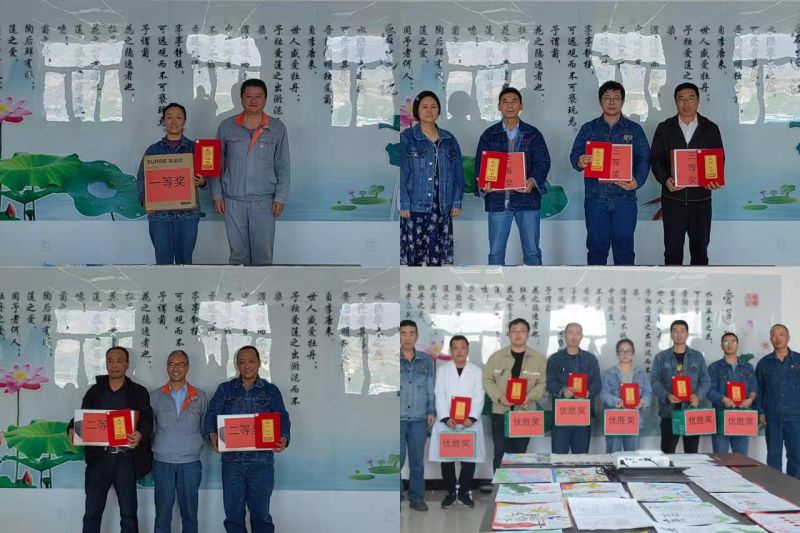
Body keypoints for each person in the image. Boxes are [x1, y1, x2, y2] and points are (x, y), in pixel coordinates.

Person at [204, 345, 291, 533]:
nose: (247, 365)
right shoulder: (225, 390)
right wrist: (212, 434)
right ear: (237, 365)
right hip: (232, 463)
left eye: (251, 361)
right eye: (242, 362)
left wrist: (284, 437)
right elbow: (211, 415)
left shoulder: (270, 390)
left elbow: (282, 417)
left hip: (261, 463)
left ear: (259, 363)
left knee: (261, 516)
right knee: (233, 517)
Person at [67, 346, 153, 533]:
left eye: (119, 361)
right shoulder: (95, 392)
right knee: (92, 513)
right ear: (106, 364)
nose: (114, 365)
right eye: (110, 361)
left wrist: (139, 434)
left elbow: (147, 420)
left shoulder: (138, 392)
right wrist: (72, 429)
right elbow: (82, 418)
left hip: (126, 459)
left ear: (127, 364)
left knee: (129, 514)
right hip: (99, 459)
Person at [569, 81, 650, 265]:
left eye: (616, 98)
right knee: (596, 250)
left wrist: (637, 181)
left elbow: (644, 159)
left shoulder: (634, 129)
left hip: (625, 198)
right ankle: (597, 285)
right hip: (595, 198)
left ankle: (625, 285)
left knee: (625, 251)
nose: (612, 102)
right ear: (600, 101)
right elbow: (575, 155)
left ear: (622, 101)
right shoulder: (588, 128)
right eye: (607, 98)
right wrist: (580, 161)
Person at [211, 79, 290, 265]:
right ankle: (238, 285)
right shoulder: (227, 126)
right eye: (248, 96)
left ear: (265, 99)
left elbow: (283, 166)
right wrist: (217, 195)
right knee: (238, 254)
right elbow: (215, 164)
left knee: (263, 254)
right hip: (233, 201)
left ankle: (262, 286)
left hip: (265, 202)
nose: (253, 100)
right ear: (241, 98)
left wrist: (280, 198)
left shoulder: (277, 128)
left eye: (258, 96)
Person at [650, 82, 725, 265]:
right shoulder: (664, 128)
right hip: (673, 200)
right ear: (675, 102)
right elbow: (656, 160)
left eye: (690, 99)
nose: (686, 104)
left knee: (700, 251)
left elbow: (719, 159)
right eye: (681, 99)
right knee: (672, 252)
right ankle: (673, 284)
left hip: (701, 200)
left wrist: (714, 179)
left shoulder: (710, 128)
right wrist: (665, 180)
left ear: (698, 101)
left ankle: (699, 284)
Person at [475, 87, 551, 266]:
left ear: (521, 106)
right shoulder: (489, 135)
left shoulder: (533, 134)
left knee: (532, 251)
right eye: (505, 102)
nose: (510, 106)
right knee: (496, 253)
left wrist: (532, 181)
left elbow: (543, 162)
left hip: (527, 200)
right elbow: (481, 165)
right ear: (499, 106)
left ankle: (534, 284)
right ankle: (495, 285)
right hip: (498, 201)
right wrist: (484, 183)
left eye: (514, 101)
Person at [136, 102, 207, 265]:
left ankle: (184, 284)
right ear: (163, 121)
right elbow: (141, 179)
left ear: (184, 121)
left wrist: (203, 181)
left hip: (188, 215)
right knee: (163, 263)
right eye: (169, 117)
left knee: (185, 263)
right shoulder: (153, 151)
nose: (174, 121)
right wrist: (144, 201)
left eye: (178, 117)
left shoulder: (195, 149)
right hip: (160, 216)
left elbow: (207, 178)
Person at [399, 91, 465, 266]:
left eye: (433, 107)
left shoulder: (449, 139)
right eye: (424, 107)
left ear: (439, 111)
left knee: (437, 259)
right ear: (417, 110)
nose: (429, 111)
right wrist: (404, 204)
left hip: (442, 205)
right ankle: (413, 284)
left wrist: (456, 202)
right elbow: (403, 172)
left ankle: (433, 284)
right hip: (415, 205)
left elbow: (458, 173)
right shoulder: (407, 138)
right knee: (413, 258)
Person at [150, 350, 208, 533]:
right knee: (162, 516)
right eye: (171, 364)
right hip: (162, 463)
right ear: (166, 367)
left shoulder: (200, 396)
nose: (175, 368)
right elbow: (151, 429)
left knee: (190, 516)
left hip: (190, 463)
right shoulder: (155, 396)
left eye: (180, 364)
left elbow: (205, 428)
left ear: (187, 367)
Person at [482, 318, 547, 470]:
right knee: (500, 454)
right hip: (500, 413)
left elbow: (542, 383)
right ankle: (499, 484)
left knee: (520, 455)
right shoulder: (496, 357)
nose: (518, 334)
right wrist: (499, 397)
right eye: (514, 331)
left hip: (524, 413)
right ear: (509, 334)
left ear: (528, 334)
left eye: (522, 331)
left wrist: (529, 397)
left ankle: (517, 485)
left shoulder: (538, 359)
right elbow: (487, 380)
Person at [428, 336, 484, 509]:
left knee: (469, 460)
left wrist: (472, 417)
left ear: (468, 350)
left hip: (469, 422)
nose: (459, 351)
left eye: (462, 348)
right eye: (455, 348)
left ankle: (465, 493)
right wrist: (445, 417)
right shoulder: (443, 370)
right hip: (447, 422)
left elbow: (479, 395)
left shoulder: (476, 371)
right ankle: (451, 493)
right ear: (451, 351)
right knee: (447, 459)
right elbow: (439, 394)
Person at [650, 319, 710, 454]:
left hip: (691, 411)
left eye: (682, 331)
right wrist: (666, 395)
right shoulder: (661, 357)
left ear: (687, 334)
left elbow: (705, 381)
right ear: (671, 334)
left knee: (692, 452)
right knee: (667, 453)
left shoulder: (697, 357)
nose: (679, 334)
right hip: (669, 412)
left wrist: (698, 396)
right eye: (675, 331)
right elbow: (655, 381)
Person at [546, 323, 601, 453]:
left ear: (582, 336)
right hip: (562, 415)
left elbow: (597, 382)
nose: (574, 336)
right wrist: (562, 390)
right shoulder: (555, 359)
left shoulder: (590, 359)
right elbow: (549, 382)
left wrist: (588, 392)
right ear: (564, 336)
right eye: (570, 333)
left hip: (582, 414)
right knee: (559, 457)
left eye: (577, 333)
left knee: (581, 457)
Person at [399, 319, 435, 511]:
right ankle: (395, 496)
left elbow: (430, 388)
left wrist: (431, 410)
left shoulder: (426, 360)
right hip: (396, 419)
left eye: (411, 333)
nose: (407, 338)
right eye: (403, 333)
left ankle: (417, 498)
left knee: (417, 463)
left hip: (419, 418)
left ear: (417, 336)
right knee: (395, 461)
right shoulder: (389, 360)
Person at [756, 324, 800, 478]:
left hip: (796, 417)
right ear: (770, 339)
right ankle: (775, 487)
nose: (777, 338)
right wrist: (760, 411)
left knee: (796, 456)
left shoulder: (798, 360)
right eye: (774, 335)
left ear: (788, 338)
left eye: (781, 334)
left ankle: (795, 488)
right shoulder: (764, 363)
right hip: (772, 417)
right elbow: (758, 390)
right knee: (773, 456)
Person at [708, 332, 758, 455]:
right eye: (726, 342)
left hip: (742, 417)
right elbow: (709, 390)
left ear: (737, 344)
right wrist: (723, 399)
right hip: (721, 417)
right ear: (721, 346)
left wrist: (750, 399)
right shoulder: (714, 367)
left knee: (741, 458)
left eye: (733, 341)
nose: (729, 344)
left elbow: (754, 387)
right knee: (721, 458)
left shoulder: (748, 367)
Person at [601, 339, 653, 452]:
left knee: (632, 455)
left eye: (628, 350)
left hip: (634, 419)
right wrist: (616, 401)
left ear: (633, 353)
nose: (625, 353)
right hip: (615, 419)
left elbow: (648, 392)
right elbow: (604, 394)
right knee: (613, 454)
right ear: (617, 354)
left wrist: (643, 402)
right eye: (621, 350)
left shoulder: (641, 373)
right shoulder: (610, 373)